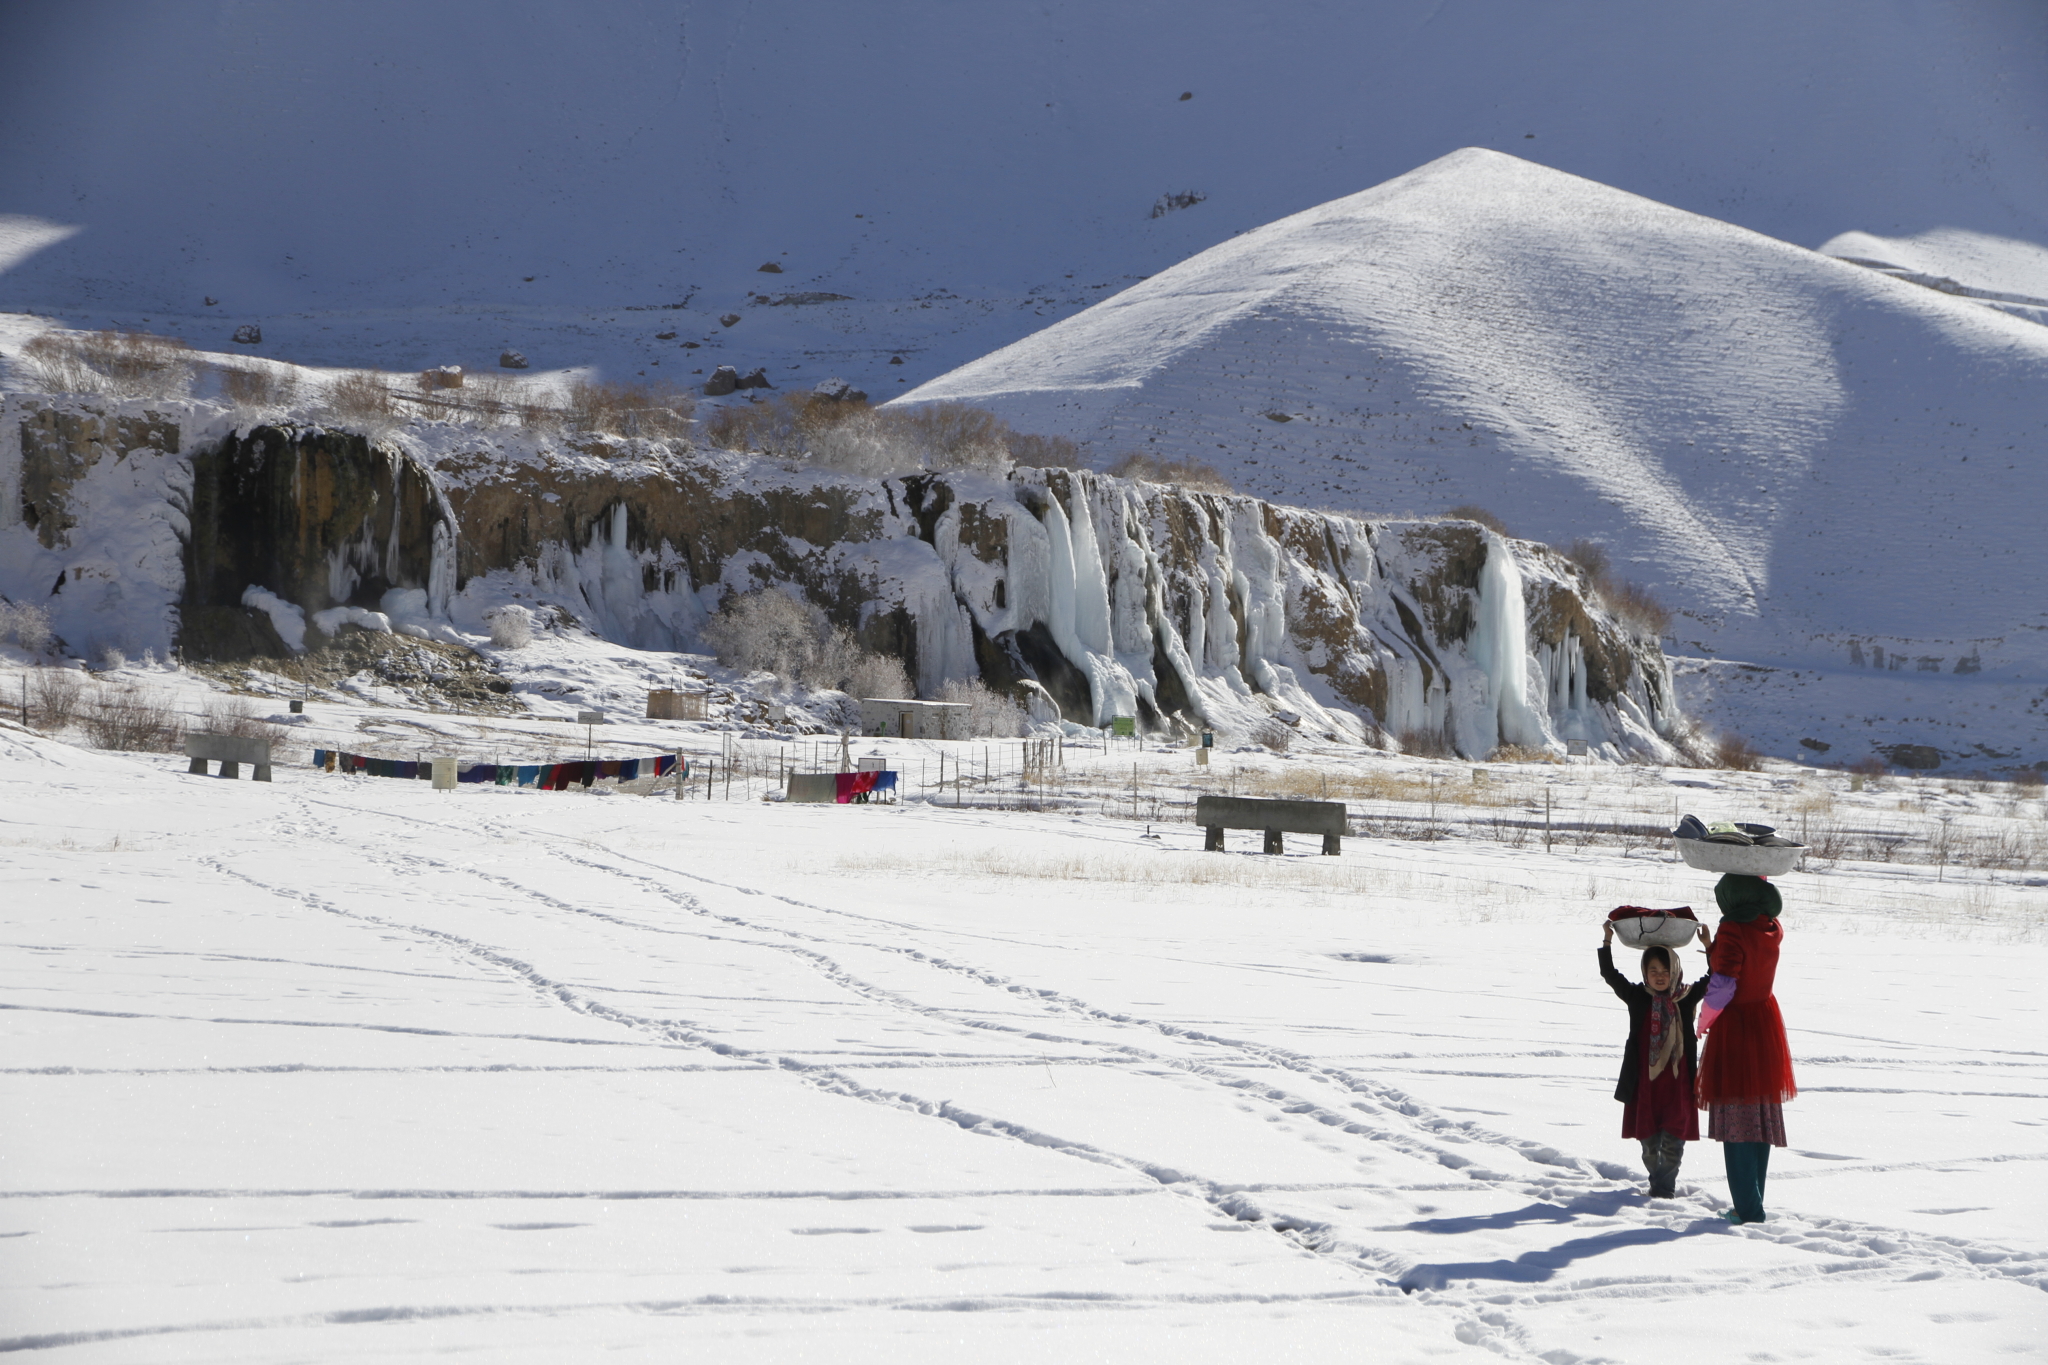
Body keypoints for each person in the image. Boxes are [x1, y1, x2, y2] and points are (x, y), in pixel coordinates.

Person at [1696, 873, 1797, 1224]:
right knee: (1759, 1117)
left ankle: (1748, 1210)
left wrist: (1704, 1020)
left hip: (1736, 1027)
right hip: (1764, 1021)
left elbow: (1724, 985)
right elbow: (1742, 963)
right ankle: (1751, 1201)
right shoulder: (1771, 926)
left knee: (1737, 1119)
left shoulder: (1732, 930)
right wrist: (1714, 949)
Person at [1600, 919, 1710, 1197]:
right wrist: (1607, 941)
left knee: (1674, 1139)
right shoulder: (1637, 996)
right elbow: (1610, 974)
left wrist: (1709, 946)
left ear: (1675, 969)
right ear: (1645, 973)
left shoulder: (1685, 997)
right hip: (1645, 1084)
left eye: (1665, 970)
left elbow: (1715, 977)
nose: (1660, 976)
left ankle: (1664, 1189)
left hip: (1677, 1083)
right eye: (1653, 971)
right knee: (1648, 1143)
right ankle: (1657, 1181)